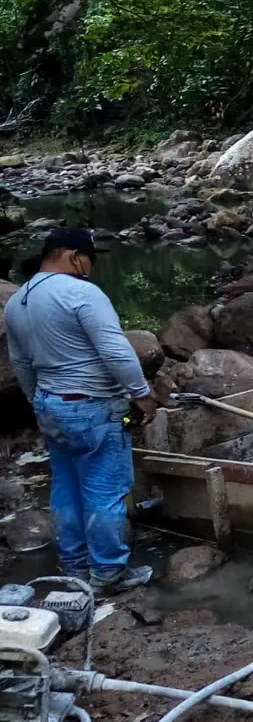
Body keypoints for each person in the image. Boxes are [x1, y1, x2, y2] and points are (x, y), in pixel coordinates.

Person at [4, 228, 157, 592]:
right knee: (105, 489)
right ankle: (107, 574)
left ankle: (73, 568)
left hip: (49, 404)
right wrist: (142, 393)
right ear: (74, 256)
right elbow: (116, 351)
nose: (92, 266)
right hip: (92, 406)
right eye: (91, 258)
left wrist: (35, 401)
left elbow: (20, 362)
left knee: (66, 486)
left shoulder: (18, 300)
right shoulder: (80, 293)